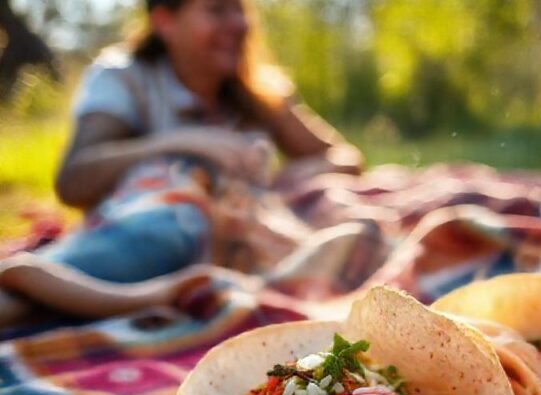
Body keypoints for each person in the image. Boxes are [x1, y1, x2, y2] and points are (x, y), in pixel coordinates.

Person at [0, 0, 366, 328]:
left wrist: (287, 178)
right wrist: (184, 142)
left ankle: (52, 286)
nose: (238, 23)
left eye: (240, 9)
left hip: (229, 244)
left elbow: (345, 158)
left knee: (348, 235)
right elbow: (74, 180)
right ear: (165, 21)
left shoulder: (260, 88)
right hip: (154, 224)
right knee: (183, 209)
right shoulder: (124, 76)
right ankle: (68, 284)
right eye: (217, 10)